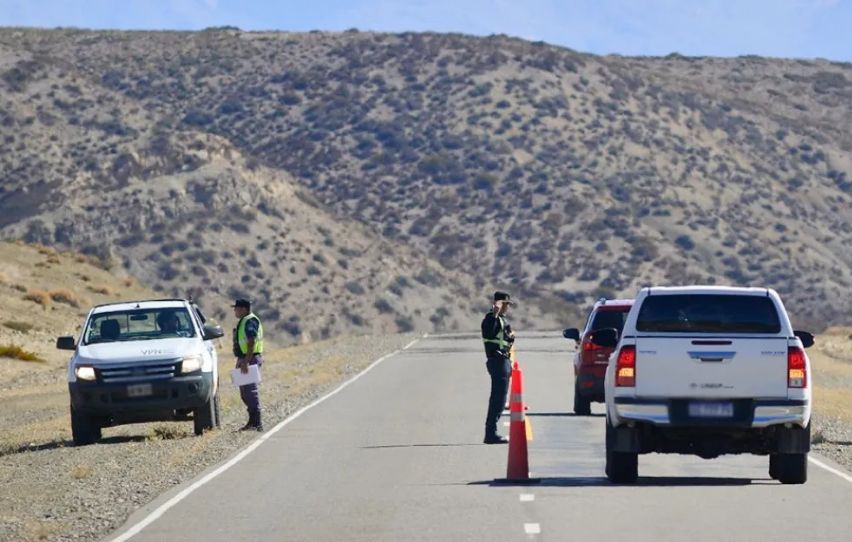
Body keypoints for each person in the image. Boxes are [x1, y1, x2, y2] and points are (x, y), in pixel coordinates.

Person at [481, 291, 516, 444]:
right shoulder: (491, 319)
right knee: (498, 399)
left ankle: (491, 432)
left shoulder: (502, 319)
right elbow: (488, 331)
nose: (507, 307)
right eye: (505, 304)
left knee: (500, 398)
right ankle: (490, 433)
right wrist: (494, 314)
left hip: (503, 361)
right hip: (497, 361)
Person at [232, 298, 265, 432]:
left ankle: (257, 422)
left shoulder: (250, 321)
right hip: (245, 359)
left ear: (244, 309)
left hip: (249, 360)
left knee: (250, 391)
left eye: (236, 308)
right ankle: (252, 421)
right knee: (245, 392)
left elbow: (251, 340)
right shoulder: (244, 321)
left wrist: (246, 361)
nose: (234, 311)